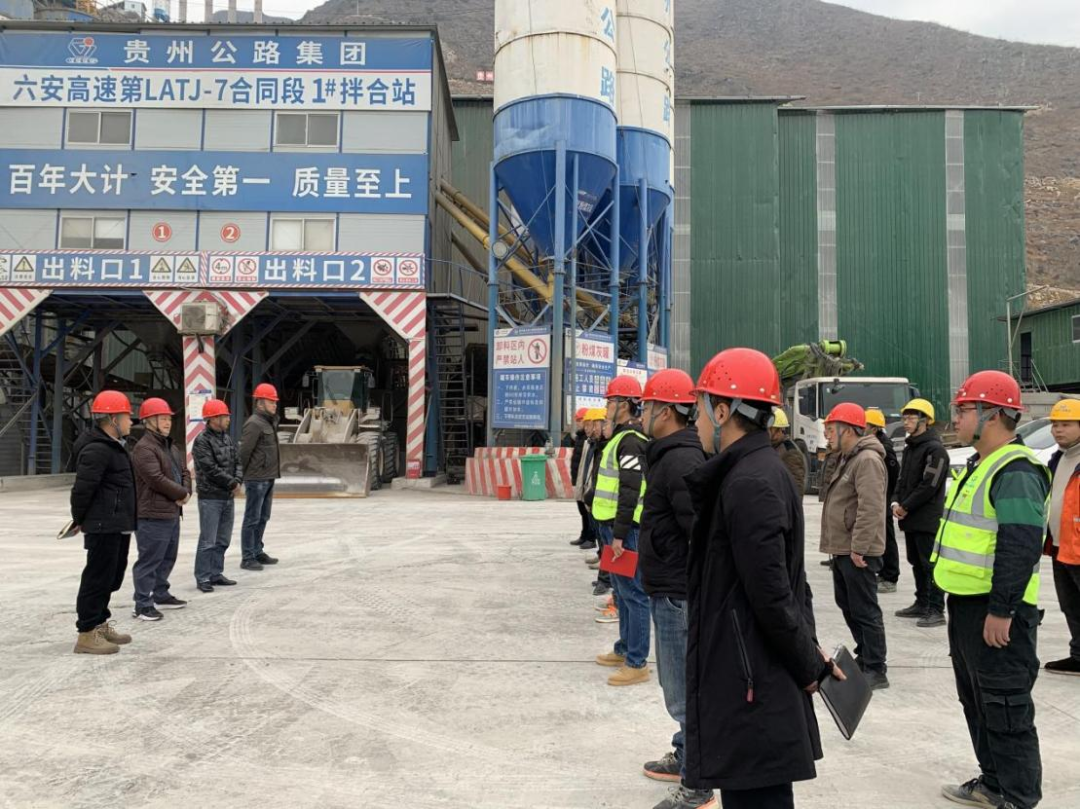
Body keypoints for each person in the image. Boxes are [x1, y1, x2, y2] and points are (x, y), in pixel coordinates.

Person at [684, 347, 843, 809]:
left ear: (722, 412)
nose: (696, 421)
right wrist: (808, 649)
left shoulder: (750, 482)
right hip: (752, 672)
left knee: (757, 798)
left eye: (699, 409)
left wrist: (808, 664)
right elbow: (789, 583)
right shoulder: (754, 471)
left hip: (752, 681)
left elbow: (772, 593)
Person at [935, 371, 1049, 809]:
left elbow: (1020, 545)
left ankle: (1019, 797)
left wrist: (1002, 610)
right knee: (978, 702)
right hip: (967, 605)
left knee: (1006, 706)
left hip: (998, 611)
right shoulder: (981, 464)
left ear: (995, 414)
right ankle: (994, 783)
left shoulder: (1016, 471)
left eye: (964, 409)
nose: (956, 417)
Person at [636, 370, 712, 809]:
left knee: (684, 693)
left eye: (647, 406)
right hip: (669, 588)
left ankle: (698, 783)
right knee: (677, 688)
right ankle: (686, 754)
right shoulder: (670, 455)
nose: (642, 413)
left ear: (665, 411)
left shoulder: (681, 461)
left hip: (677, 594)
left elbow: (699, 534)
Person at [820, 403, 890, 689]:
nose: (827, 435)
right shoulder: (849, 458)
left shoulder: (867, 460)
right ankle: (865, 654)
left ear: (847, 430)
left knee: (864, 608)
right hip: (844, 548)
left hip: (858, 551)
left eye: (830, 429)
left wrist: (859, 547)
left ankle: (876, 667)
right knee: (848, 604)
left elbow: (870, 507)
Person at [592, 375, 651, 686]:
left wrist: (618, 533)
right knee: (622, 592)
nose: (606, 407)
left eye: (610, 401)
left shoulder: (631, 441)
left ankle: (637, 662)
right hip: (611, 527)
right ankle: (625, 648)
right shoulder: (619, 438)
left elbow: (630, 490)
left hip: (624, 530)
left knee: (635, 594)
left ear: (625, 405)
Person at [70, 390, 137, 654]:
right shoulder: (97, 449)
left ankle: (99, 622)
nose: (131, 421)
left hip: (118, 523)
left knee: (112, 576)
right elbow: (82, 489)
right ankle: (86, 633)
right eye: (127, 416)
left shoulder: (116, 446)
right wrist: (79, 519)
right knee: (97, 578)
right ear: (112, 419)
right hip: (103, 524)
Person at [131, 397, 191, 622]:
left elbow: (185, 472)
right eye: (162, 418)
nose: (167, 423)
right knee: (149, 560)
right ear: (149, 421)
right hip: (151, 515)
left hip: (171, 512)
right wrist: (181, 493)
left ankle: (160, 593)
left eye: (169, 419)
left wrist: (187, 491)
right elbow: (155, 479)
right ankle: (142, 604)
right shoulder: (144, 448)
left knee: (167, 557)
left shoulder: (171, 447)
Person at [892, 398, 949, 628]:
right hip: (910, 517)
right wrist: (895, 501)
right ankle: (922, 602)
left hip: (926, 519)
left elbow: (929, 485)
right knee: (916, 561)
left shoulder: (936, 450)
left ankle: (936, 609)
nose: (906, 422)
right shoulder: (910, 448)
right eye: (904, 418)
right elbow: (902, 479)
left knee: (930, 564)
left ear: (925, 421)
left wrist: (905, 506)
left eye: (911, 418)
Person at [1044, 398, 1080, 676]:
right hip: (1060, 545)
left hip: (1077, 546)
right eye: (1055, 424)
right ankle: (1078, 655)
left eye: (1066, 424)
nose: (1058, 430)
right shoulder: (1058, 459)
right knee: (1070, 606)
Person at [193, 398, 242, 593]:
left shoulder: (227, 439)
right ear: (213, 419)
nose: (228, 419)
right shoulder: (202, 441)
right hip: (210, 498)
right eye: (224, 416)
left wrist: (238, 479)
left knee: (223, 540)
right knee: (208, 541)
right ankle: (203, 577)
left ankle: (215, 573)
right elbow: (210, 469)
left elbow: (238, 461)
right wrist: (232, 483)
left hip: (227, 497)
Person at [240, 382, 281, 571]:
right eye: (271, 402)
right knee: (252, 518)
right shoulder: (254, 423)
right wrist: (239, 477)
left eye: (275, 402)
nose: (274, 405)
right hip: (256, 479)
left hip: (268, 476)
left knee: (263, 517)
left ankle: (257, 551)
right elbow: (244, 452)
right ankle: (248, 557)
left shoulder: (268, 422)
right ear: (260, 403)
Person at [866, 408, 901, 594]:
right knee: (880, 538)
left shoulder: (884, 449)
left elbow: (894, 475)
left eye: (864, 425)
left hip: (883, 500)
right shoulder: (875, 444)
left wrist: (888, 497)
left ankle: (890, 576)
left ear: (873, 428)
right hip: (879, 499)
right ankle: (883, 572)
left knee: (887, 539)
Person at [569, 407, 597, 550]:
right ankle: (584, 534)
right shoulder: (581, 439)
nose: (581, 424)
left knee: (588, 511)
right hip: (580, 478)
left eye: (583, 422)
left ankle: (591, 537)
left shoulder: (590, 440)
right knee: (582, 510)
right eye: (580, 421)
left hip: (587, 481)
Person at [769, 408, 807, 497]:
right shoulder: (774, 447)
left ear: (779, 430)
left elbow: (796, 488)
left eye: (770, 429)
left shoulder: (790, 452)